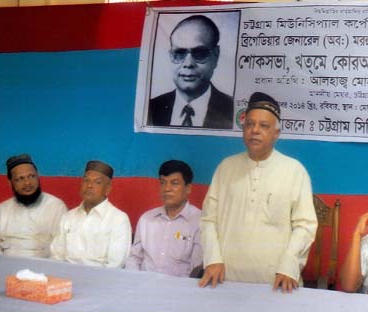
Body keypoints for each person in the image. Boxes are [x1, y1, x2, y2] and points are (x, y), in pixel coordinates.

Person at [198, 92, 317, 293]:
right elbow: (208, 220)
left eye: (264, 126)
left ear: (276, 133)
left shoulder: (294, 171)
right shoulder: (226, 168)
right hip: (225, 279)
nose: (255, 131)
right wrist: (212, 259)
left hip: (277, 282)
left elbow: (305, 226)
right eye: (250, 125)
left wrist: (289, 265)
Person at [148, 14, 233, 129]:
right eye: (179, 53)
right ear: (170, 55)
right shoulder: (151, 109)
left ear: (216, 56)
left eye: (200, 53)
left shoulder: (234, 109)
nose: (188, 63)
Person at [126, 160, 203, 277]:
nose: (167, 188)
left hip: (178, 290)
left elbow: (197, 269)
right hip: (142, 288)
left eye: (174, 183)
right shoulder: (147, 219)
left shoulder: (199, 221)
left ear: (188, 188)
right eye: (163, 183)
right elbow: (135, 258)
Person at [50, 160, 131, 268]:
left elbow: (115, 265)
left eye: (97, 182)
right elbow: (57, 257)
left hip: (101, 281)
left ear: (108, 189)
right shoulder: (68, 217)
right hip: (66, 279)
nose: (89, 185)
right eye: (86, 180)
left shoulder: (118, 219)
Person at [0, 154, 67, 257]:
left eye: (31, 176)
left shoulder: (56, 206)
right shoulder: (3, 209)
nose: (27, 183)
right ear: (10, 183)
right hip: (6, 267)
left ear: (38, 176)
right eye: (20, 179)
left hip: (43, 267)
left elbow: (61, 247)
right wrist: (1, 263)